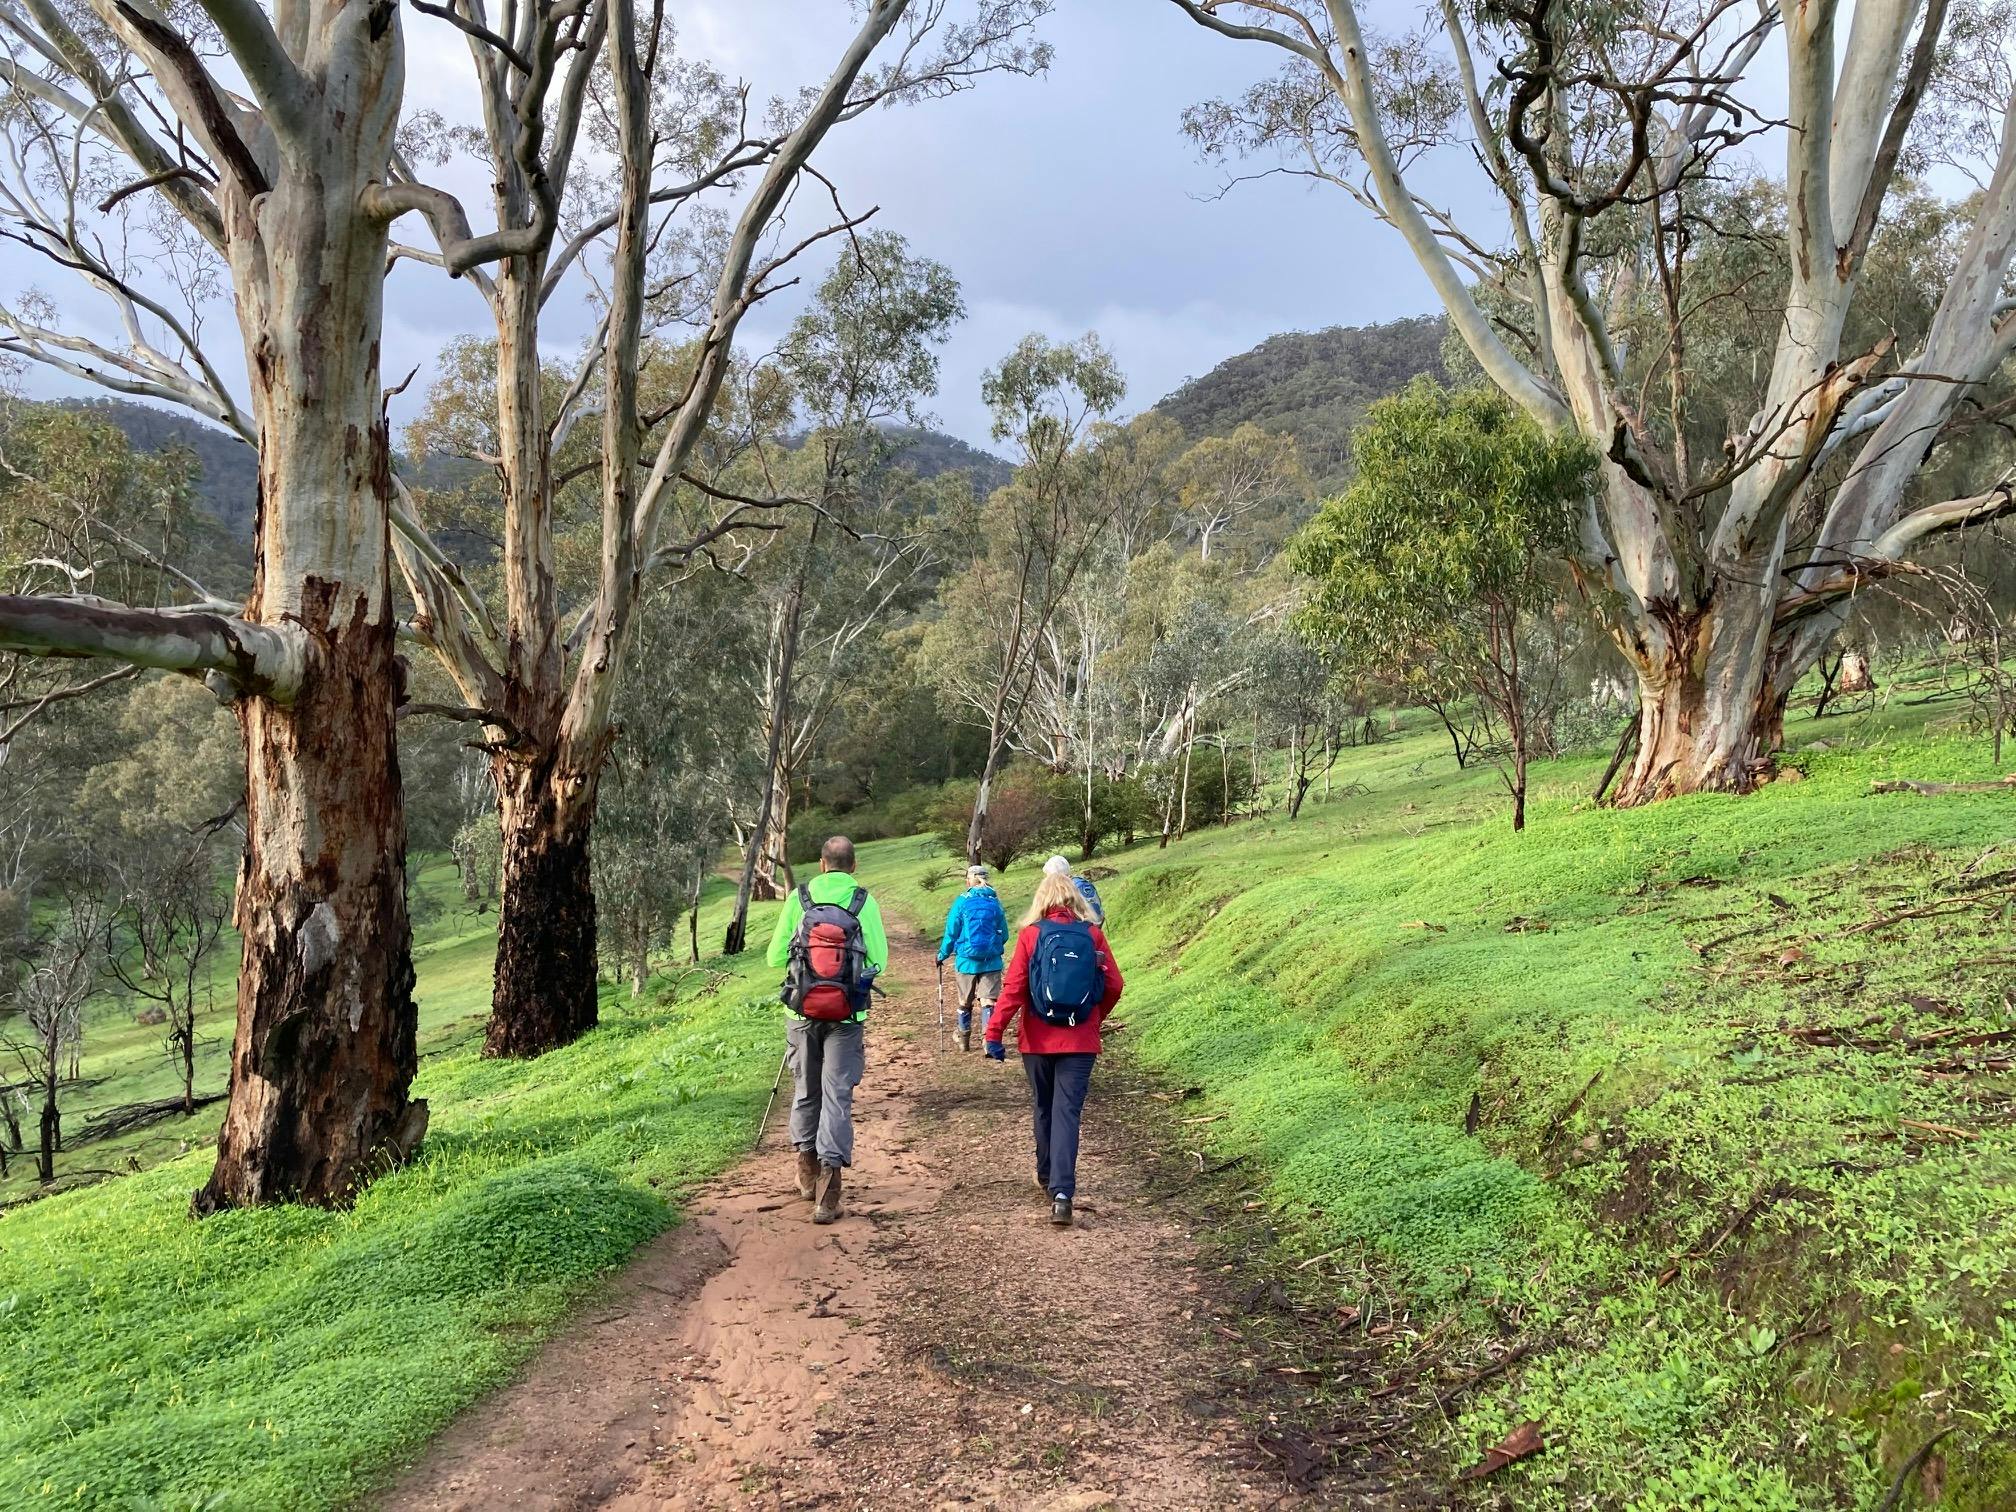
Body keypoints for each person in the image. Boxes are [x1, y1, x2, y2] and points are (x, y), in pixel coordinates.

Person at [983, 870, 1124, 1227]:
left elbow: (1014, 988)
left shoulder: (1031, 935)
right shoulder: (1093, 935)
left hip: (1037, 1039)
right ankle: (1063, 1195)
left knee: (1043, 1107)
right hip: (1080, 1040)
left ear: (1042, 901)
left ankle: (1045, 1175)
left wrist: (994, 1032)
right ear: (1076, 901)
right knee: (1067, 1113)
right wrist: (1093, 1018)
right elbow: (1114, 985)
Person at [768, 835, 888, 1224]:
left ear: (822, 864)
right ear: (853, 866)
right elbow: (879, 961)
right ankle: (829, 1193)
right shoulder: (863, 902)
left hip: (802, 1013)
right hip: (848, 1018)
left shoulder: (798, 899)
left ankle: (806, 1170)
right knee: (837, 1096)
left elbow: (773, 958)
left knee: (806, 1089)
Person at [937, 864, 1009, 1052]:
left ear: (968, 880)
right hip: (991, 961)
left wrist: (942, 955)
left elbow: (951, 932)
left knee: (964, 1001)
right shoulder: (995, 902)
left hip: (966, 961)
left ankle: (963, 1039)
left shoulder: (961, 902)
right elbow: (1005, 935)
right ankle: (988, 1041)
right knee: (988, 1001)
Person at [1043, 853, 1105, 927]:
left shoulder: (1067, 889)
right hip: (1093, 929)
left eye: (1049, 876)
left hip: (1082, 931)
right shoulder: (1081, 883)